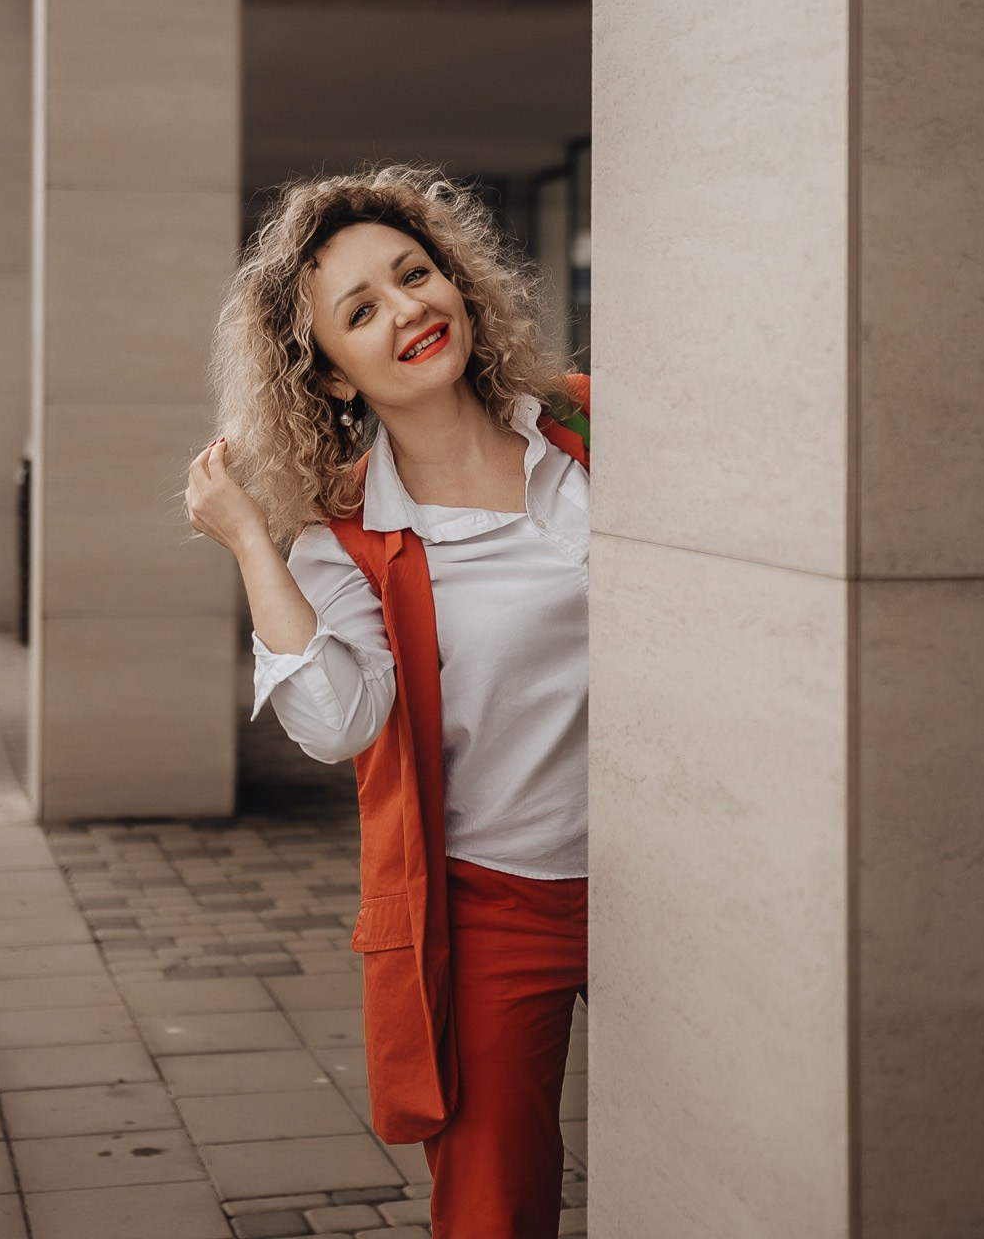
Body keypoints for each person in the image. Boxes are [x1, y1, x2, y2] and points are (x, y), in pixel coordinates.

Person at [184, 165, 589, 1239]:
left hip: (679, 874)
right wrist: (251, 545)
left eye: (416, 275)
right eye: (361, 312)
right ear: (331, 379)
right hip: (501, 901)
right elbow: (338, 726)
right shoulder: (344, 541)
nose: (408, 310)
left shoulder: (583, 433)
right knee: (494, 1209)